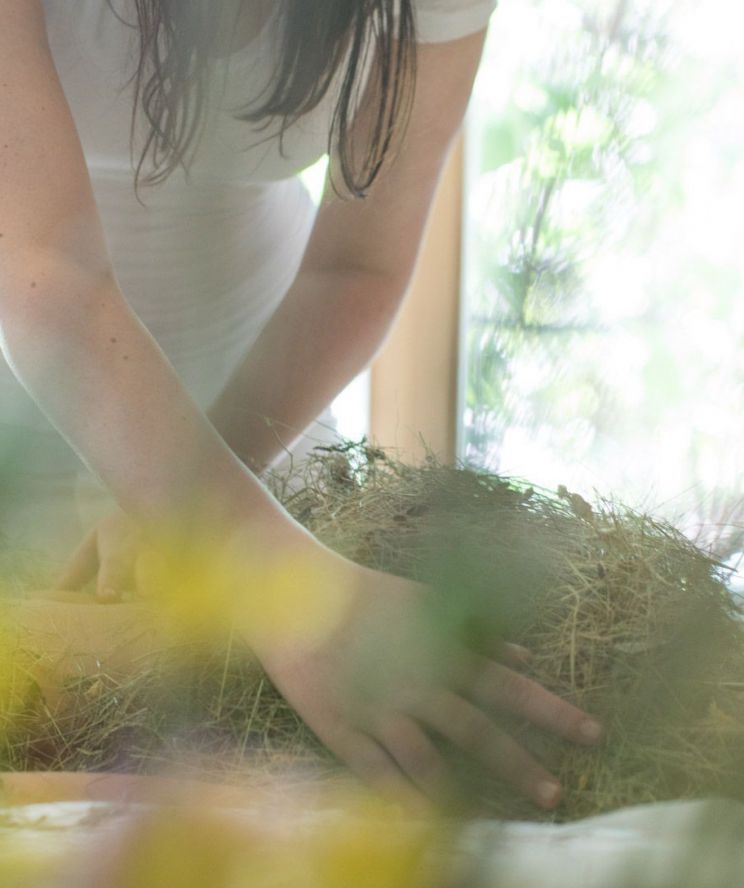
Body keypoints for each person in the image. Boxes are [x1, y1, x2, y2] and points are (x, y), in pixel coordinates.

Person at [0, 0, 602, 812]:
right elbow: (44, 274)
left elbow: (356, 267)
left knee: (241, 740)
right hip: (30, 365)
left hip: (258, 389)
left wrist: (216, 512)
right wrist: (287, 585)